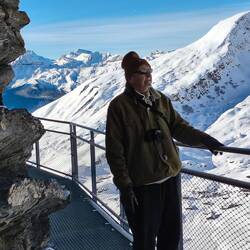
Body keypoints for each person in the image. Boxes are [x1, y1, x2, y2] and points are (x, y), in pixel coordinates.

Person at [105, 51, 224, 250]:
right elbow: (114, 150)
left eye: (150, 71)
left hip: (170, 178)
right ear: (131, 77)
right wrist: (125, 185)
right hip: (144, 184)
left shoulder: (160, 100)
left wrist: (204, 140)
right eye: (144, 72)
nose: (149, 76)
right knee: (144, 239)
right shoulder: (119, 107)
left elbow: (178, 127)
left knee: (171, 235)